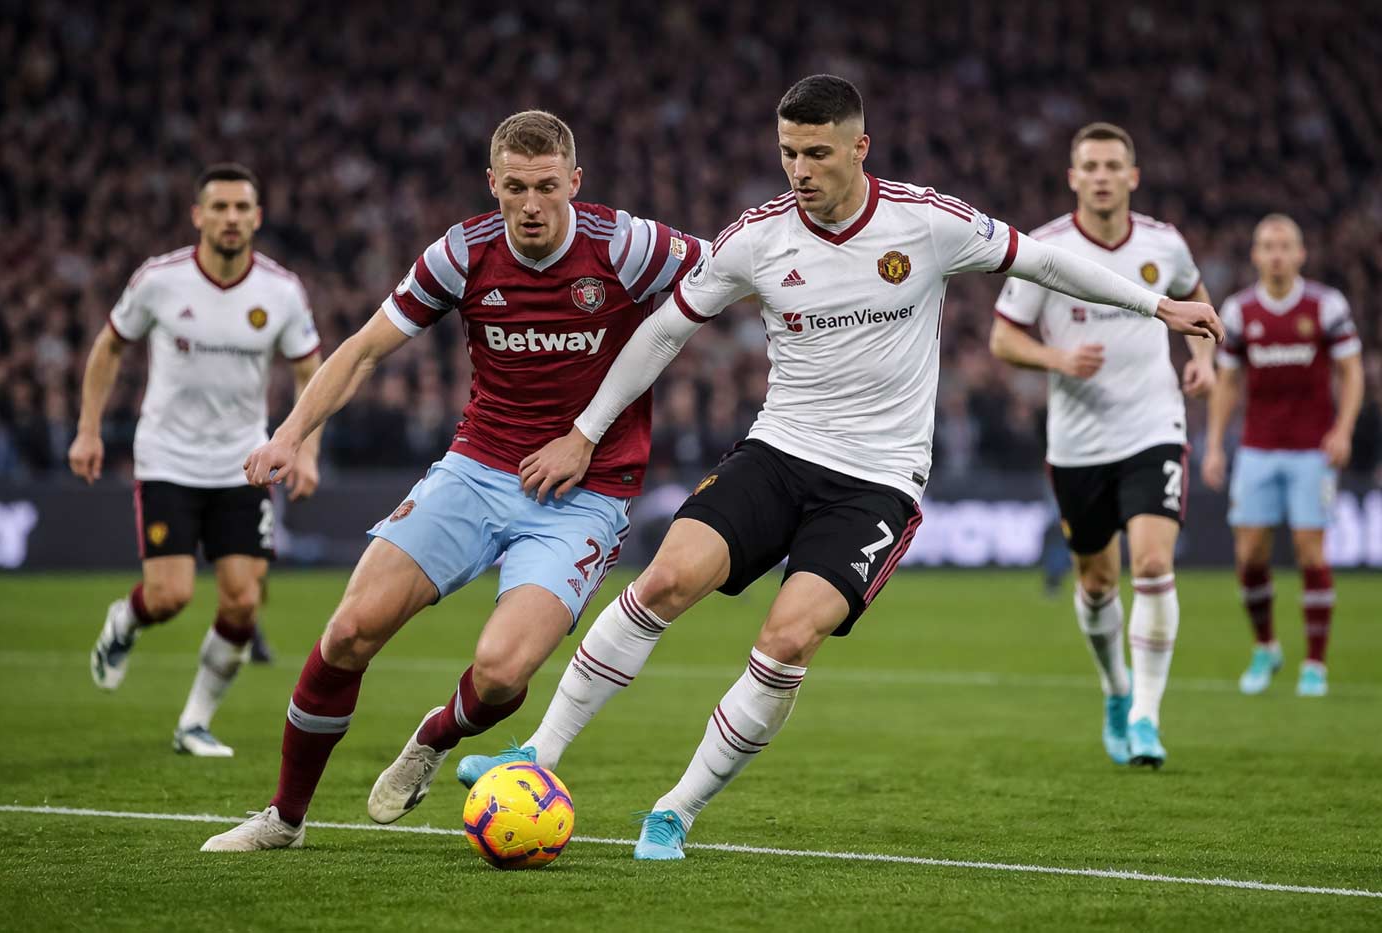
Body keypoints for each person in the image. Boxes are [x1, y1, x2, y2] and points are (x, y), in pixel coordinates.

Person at [459, 77, 1223, 860]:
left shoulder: (927, 223)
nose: (800, 170)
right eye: (788, 152)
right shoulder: (757, 238)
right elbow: (663, 332)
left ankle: (675, 810)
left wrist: (1157, 307)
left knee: (787, 640)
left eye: (817, 153)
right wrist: (585, 432)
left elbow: (1045, 262)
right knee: (663, 581)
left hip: (877, 481)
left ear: (860, 148)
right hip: (779, 450)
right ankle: (538, 753)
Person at [200, 110, 703, 852]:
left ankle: (436, 736)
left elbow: (734, 270)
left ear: (575, 182)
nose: (531, 205)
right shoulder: (462, 253)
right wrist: (289, 433)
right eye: (516, 188)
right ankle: (284, 819)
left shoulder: (625, 246)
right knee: (349, 631)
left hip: (586, 494)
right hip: (477, 469)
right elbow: (365, 349)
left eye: (547, 187)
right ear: (492, 183)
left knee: (500, 674)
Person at [72, 163, 324, 757]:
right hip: (168, 457)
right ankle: (126, 621)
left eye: (241, 208)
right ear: (198, 215)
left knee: (242, 600)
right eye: (219, 207)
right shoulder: (159, 280)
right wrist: (87, 431)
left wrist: (305, 449)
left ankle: (194, 723)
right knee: (170, 597)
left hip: (244, 462)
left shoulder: (281, 291)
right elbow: (109, 347)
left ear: (257, 218)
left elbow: (309, 368)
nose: (230, 218)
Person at [988, 123, 1216, 769]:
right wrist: (1057, 359)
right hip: (1078, 444)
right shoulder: (1046, 250)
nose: (1102, 176)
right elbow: (1003, 338)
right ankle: (1116, 688)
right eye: (1090, 166)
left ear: (1133, 176)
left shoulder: (1164, 243)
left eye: (1113, 165)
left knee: (1153, 564)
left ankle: (1146, 714)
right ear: (1073, 178)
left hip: (1154, 427)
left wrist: (1203, 357)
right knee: (1096, 583)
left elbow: (1194, 297)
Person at [1202, 214, 1363, 698]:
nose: (1276, 254)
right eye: (1268, 246)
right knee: (1249, 554)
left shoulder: (1326, 305)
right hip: (1257, 448)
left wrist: (1343, 430)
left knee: (1311, 551)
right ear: (1255, 255)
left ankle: (1315, 664)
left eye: (1285, 246)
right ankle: (1266, 646)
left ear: (1300, 254)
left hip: (1312, 450)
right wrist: (1214, 445)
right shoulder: (1239, 311)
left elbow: (1351, 371)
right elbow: (1228, 382)